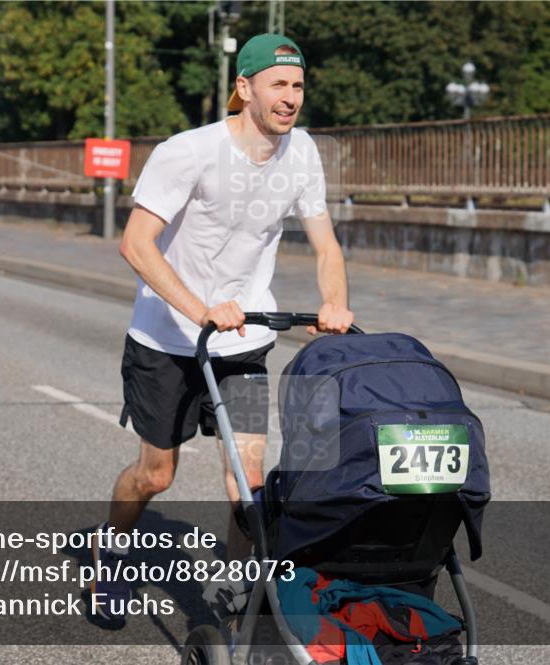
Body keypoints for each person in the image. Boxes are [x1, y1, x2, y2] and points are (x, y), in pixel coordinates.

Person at [92, 33, 354, 625]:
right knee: (156, 474)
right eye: (279, 85)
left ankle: (235, 590)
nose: (291, 98)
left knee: (248, 478)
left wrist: (334, 304)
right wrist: (198, 308)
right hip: (166, 338)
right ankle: (113, 549)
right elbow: (136, 244)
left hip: (244, 341)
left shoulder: (303, 152)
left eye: (299, 86)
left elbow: (325, 244)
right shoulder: (188, 151)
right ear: (245, 89)